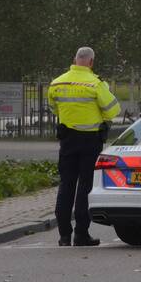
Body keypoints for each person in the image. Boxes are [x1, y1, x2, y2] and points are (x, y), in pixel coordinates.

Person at [48, 46, 120, 247]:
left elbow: (54, 107)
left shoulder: (57, 83)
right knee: (85, 186)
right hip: (90, 140)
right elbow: (113, 110)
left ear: (74, 59)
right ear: (91, 62)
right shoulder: (95, 84)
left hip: (67, 139)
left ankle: (63, 236)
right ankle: (81, 234)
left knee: (66, 185)